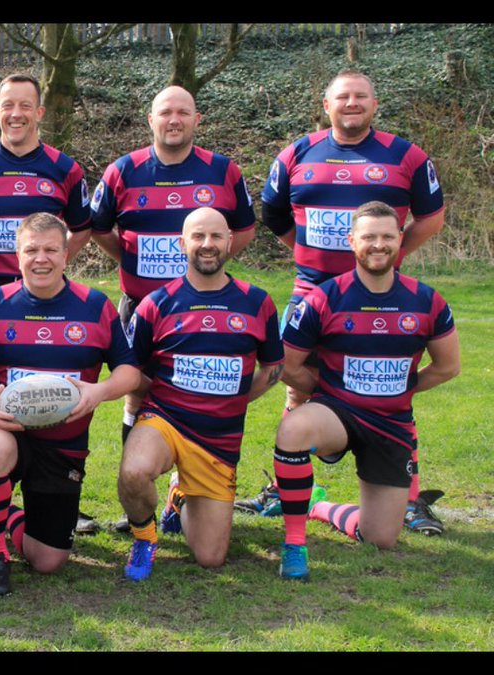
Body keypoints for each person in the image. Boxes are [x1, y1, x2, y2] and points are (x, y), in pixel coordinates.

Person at [261, 70, 448, 535]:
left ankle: (408, 498)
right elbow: (274, 215)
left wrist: (390, 255)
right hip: (312, 292)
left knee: (388, 385)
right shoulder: (296, 153)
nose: (351, 103)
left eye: (360, 96)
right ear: (326, 105)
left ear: (374, 104)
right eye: (342, 97)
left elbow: (432, 217)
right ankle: (283, 488)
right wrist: (309, 256)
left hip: (384, 295)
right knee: (296, 385)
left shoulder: (406, 156)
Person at [0, 213, 139, 597]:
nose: (42, 258)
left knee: (48, 561)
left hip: (64, 445)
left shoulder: (95, 306)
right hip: (8, 430)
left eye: (51, 249)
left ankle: (4, 514)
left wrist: (98, 392)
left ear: (66, 254)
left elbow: (129, 372)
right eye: (31, 250)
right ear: (17, 256)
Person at [272, 201, 459, 580]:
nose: (378, 244)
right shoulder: (324, 298)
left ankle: (318, 508)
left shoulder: (427, 300)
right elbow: (286, 365)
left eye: (387, 236)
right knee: (293, 429)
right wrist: (328, 390)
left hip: (390, 424)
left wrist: (399, 392)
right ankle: (295, 543)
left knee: (380, 539)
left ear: (400, 241)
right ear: (352, 241)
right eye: (369, 237)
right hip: (337, 414)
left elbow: (447, 367)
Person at [0, 73, 94, 538]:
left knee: (54, 388)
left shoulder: (65, 169)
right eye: (7, 105)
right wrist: (0, 265)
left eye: (25, 105)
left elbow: (82, 228)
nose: (15, 113)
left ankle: (60, 497)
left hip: (54, 298)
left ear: (39, 113)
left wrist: (48, 267)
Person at [117, 208, 283, 581]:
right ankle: (144, 538)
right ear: (182, 244)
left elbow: (273, 369)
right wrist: (164, 394)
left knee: (211, 558)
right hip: (166, 420)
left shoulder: (257, 302)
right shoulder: (156, 303)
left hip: (218, 438)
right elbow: (132, 371)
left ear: (229, 242)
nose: (207, 245)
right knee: (135, 471)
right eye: (198, 237)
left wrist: (231, 398)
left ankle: (179, 498)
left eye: (216, 237)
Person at [90, 85, 255, 455]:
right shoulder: (124, 171)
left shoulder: (224, 171)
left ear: (197, 120)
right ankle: (137, 494)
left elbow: (244, 229)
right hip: (142, 306)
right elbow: (99, 227)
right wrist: (131, 261)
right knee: (136, 392)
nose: (174, 120)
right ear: (151, 120)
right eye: (165, 112)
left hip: (205, 309)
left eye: (183, 113)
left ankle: (185, 492)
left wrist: (210, 268)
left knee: (195, 392)